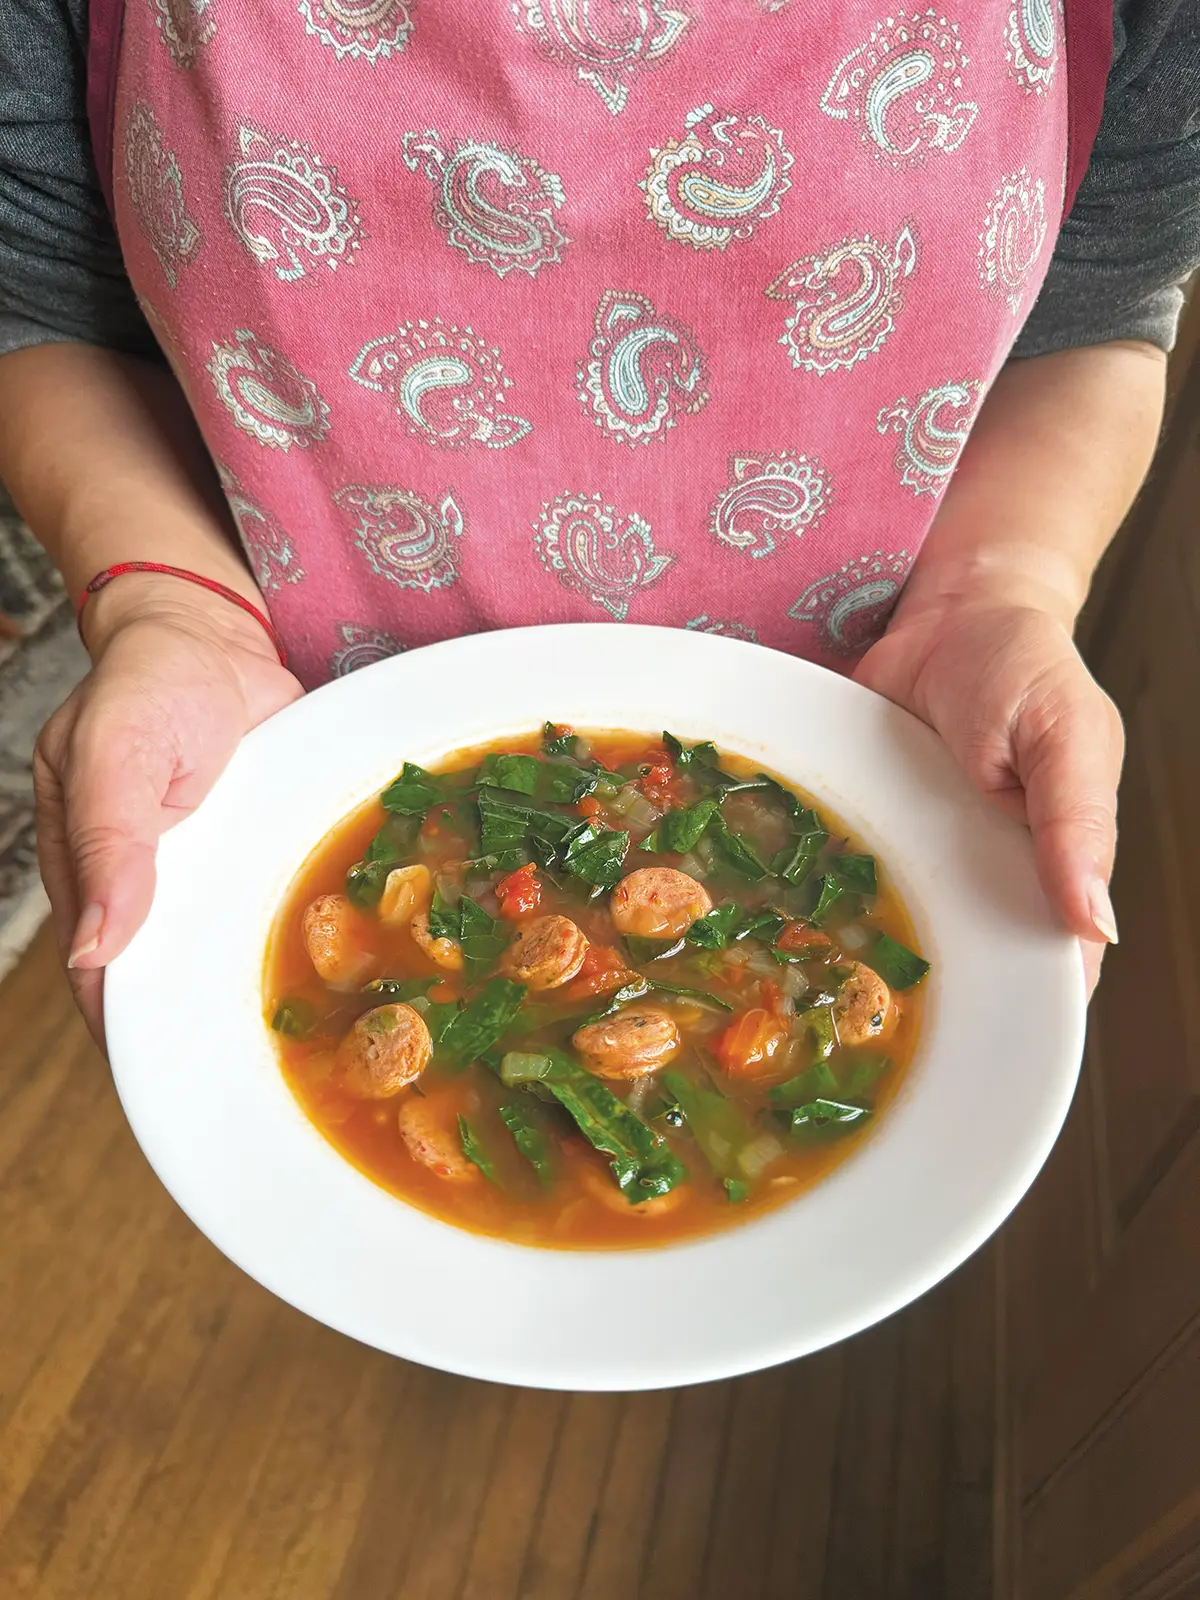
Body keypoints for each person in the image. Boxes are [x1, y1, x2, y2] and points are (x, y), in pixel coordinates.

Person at [1, 1, 1197, 1045]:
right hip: (280, 741)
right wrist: (170, 599)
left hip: (898, 730)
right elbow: (44, 287)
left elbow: (1100, 288)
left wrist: (998, 592)